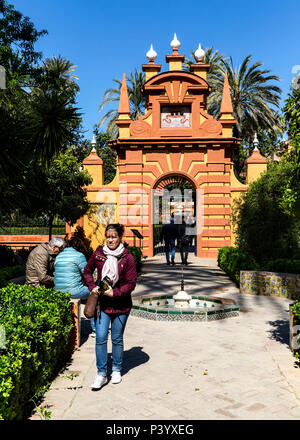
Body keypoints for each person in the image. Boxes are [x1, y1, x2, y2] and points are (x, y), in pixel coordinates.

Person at [84, 223, 137, 390]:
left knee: (116, 338)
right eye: (108, 236)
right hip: (103, 305)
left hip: (121, 305)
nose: (110, 239)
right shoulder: (99, 253)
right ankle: (101, 373)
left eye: (114, 236)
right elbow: (87, 271)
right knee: (100, 338)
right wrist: (92, 286)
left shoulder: (127, 257)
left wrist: (116, 293)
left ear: (120, 237)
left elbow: (131, 283)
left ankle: (116, 369)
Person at [54, 234, 96, 334]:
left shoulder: (59, 255)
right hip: (74, 291)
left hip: (58, 291)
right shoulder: (79, 256)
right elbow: (87, 274)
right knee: (94, 295)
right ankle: (95, 328)